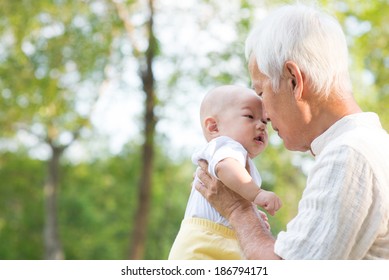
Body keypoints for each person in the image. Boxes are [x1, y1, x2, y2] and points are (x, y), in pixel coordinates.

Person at [195, 3, 389, 259]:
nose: (263, 115)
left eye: (262, 92)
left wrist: (237, 210)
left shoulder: (348, 156)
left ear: (294, 80)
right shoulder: (370, 145)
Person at [168, 85, 282, 260]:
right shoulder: (225, 146)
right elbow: (225, 167)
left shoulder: (242, 159)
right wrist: (257, 194)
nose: (261, 125)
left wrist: (253, 214)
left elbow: (227, 201)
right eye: (249, 116)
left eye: (265, 121)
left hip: (219, 240)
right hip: (204, 243)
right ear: (214, 127)